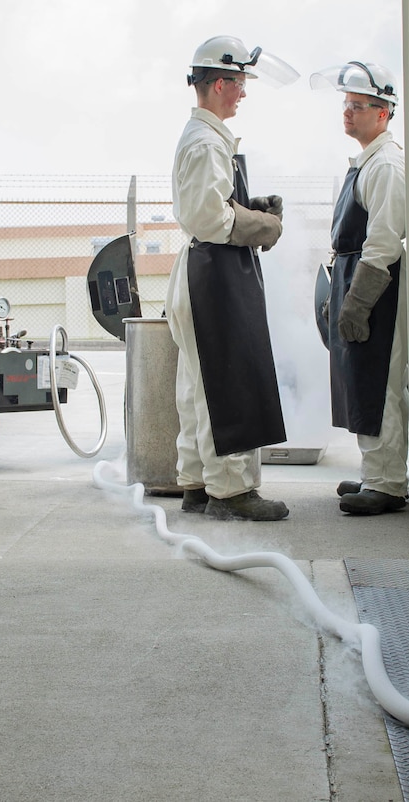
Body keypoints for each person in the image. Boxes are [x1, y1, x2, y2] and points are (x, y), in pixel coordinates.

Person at [164, 36, 292, 521]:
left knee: (200, 387)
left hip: (201, 271)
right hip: (213, 276)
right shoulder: (206, 143)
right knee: (229, 382)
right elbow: (209, 219)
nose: (243, 93)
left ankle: (198, 485)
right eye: (239, 83)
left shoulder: (205, 138)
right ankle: (232, 492)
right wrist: (265, 225)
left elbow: (210, 208)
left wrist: (248, 206)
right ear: (219, 84)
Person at [314, 61, 409, 515]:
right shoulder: (368, 161)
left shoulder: (387, 165)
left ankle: (387, 485)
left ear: (384, 112)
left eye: (358, 106)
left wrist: (358, 303)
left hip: (378, 288)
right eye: (347, 105)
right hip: (358, 281)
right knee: (363, 382)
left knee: (379, 383)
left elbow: (384, 242)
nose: (348, 113)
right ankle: (377, 473)